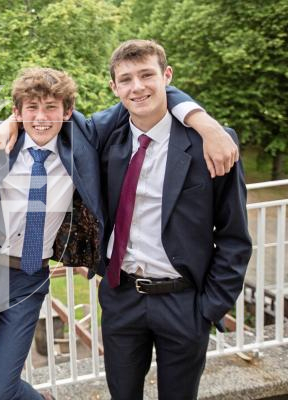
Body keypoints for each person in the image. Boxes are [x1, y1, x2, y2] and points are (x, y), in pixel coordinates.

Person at [0, 67, 228, 399]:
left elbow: (143, 95)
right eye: (31, 108)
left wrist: (204, 122)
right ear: (17, 111)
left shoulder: (83, 139)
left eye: (51, 108)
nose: (41, 118)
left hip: (27, 279)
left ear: (68, 112)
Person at [90, 39, 251, 399]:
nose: (138, 87)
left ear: (167, 76)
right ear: (113, 88)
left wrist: (209, 308)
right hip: (122, 296)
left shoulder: (212, 144)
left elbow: (234, 235)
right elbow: (51, 121)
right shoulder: (105, 139)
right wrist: (10, 123)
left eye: (147, 75)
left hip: (184, 302)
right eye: (126, 79)